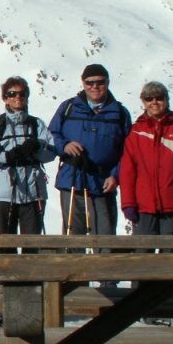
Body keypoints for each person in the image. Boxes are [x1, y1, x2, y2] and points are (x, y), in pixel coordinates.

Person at [48, 64, 132, 241]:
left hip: (103, 182)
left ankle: (102, 261)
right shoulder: (68, 107)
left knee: (104, 237)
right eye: (90, 82)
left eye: (100, 82)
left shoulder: (119, 113)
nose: (95, 86)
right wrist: (64, 145)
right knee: (72, 238)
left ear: (107, 83)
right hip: (72, 178)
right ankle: (74, 261)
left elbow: (128, 150)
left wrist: (115, 176)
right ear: (83, 83)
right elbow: (51, 135)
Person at [0, 77, 56, 252]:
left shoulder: (37, 124)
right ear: (5, 98)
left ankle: (29, 272)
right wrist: (7, 157)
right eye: (12, 94)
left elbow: (51, 152)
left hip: (33, 192)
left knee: (32, 245)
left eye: (22, 93)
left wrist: (36, 148)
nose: (17, 97)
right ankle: (6, 271)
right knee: (6, 244)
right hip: (2, 193)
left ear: (27, 96)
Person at [119, 81, 173, 236]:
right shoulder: (136, 132)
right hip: (143, 206)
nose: (154, 102)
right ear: (143, 102)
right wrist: (128, 203)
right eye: (149, 98)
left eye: (159, 98)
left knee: (170, 249)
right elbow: (127, 172)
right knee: (143, 249)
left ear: (166, 99)